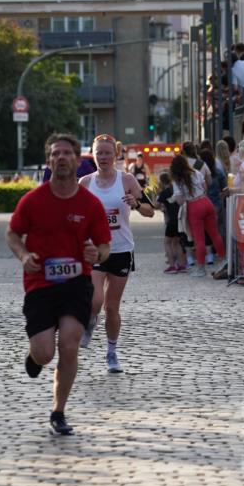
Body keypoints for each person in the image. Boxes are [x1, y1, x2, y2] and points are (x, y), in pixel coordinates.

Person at [6, 133, 111, 436]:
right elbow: (12, 235)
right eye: (56, 154)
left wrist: (97, 253)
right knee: (45, 353)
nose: (62, 158)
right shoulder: (33, 200)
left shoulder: (89, 204)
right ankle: (34, 356)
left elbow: (104, 246)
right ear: (50, 161)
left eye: (67, 153)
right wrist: (24, 255)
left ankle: (58, 411)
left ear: (77, 161)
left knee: (68, 345)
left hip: (77, 283)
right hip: (40, 283)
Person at [79, 133, 154, 372]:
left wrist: (136, 203)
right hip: (96, 249)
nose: (103, 157)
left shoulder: (127, 179)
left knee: (112, 307)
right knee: (95, 300)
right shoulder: (85, 183)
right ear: (93, 154)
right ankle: (90, 322)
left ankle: (111, 352)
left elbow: (150, 211)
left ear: (116, 155)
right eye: (99, 153)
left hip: (121, 249)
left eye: (107, 153)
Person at [169, 153, 225, 276]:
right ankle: (224, 260)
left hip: (194, 207)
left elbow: (180, 201)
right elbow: (205, 187)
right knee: (215, 234)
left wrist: (181, 197)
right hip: (206, 202)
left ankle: (201, 268)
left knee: (199, 238)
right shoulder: (196, 172)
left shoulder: (177, 180)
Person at [155, 171, 187, 273]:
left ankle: (172, 265)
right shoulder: (175, 189)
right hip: (180, 219)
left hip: (171, 220)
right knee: (177, 242)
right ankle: (182, 265)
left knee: (167, 242)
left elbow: (156, 205)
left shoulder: (164, 192)